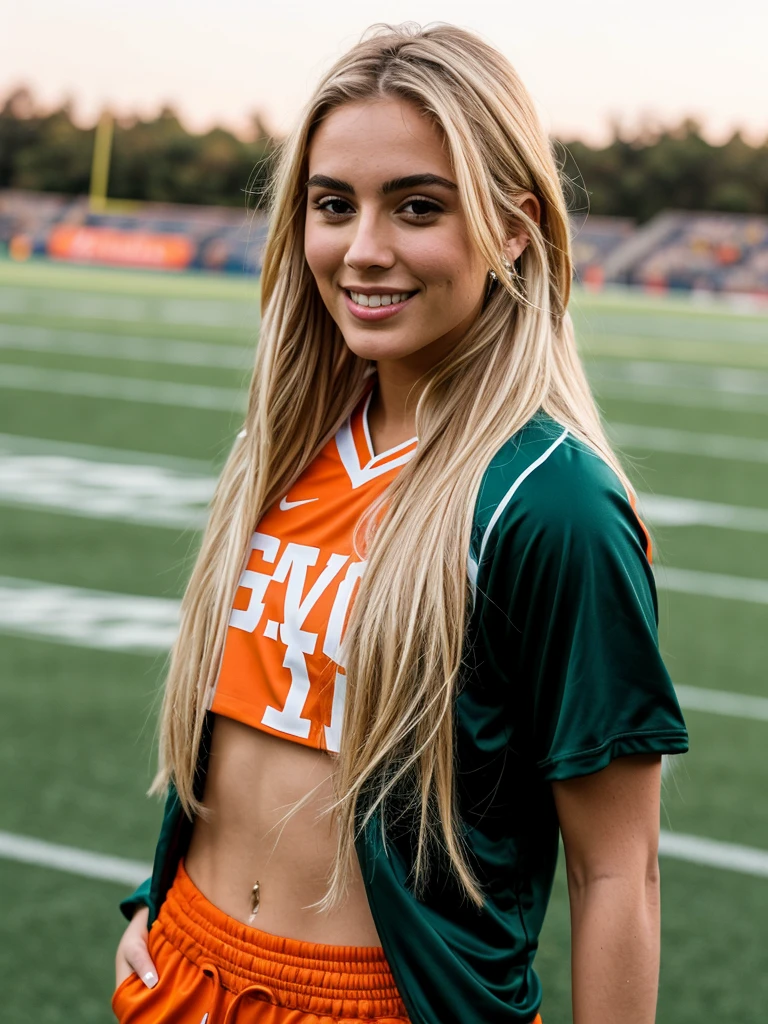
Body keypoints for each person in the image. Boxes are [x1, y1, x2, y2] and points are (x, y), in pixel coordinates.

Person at [113, 22, 689, 1024]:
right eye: (333, 206)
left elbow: (618, 872)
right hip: (184, 972)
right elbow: (237, 728)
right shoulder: (290, 439)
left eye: (417, 207)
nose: (364, 249)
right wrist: (159, 907)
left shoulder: (551, 505)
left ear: (515, 227)